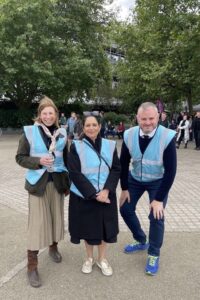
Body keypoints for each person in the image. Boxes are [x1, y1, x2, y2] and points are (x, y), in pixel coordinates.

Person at [16, 96, 69, 288]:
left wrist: (68, 184)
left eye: (51, 113)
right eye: (44, 113)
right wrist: (38, 161)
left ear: (56, 115)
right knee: (37, 224)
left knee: (56, 219)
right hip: (37, 184)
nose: (48, 116)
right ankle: (32, 265)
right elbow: (20, 158)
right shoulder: (29, 132)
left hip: (57, 183)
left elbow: (67, 159)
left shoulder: (62, 133)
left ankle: (53, 247)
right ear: (39, 115)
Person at [119, 102, 177, 276]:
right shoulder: (128, 135)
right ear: (137, 118)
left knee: (156, 215)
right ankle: (141, 239)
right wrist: (124, 188)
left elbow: (171, 171)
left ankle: (153, 253)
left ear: (157, 117)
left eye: (151, 118)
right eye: (143, 119)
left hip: (158, 181)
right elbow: (123, 164)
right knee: (125, 208)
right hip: (135, 178)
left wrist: (158, 200)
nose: (147, 123)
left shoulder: (167, 136)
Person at [67, 115, 120, 276]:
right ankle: (89, 258)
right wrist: (93, 194)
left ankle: (102, 259)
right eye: (87, 125)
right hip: (84, 196)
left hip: (106, 195)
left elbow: (116, 169)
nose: (91, 128)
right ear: (83, 127)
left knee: (105, 229)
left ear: (99, 126)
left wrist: (106, 191)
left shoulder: (110, 145)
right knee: (87, 229)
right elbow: (74, 173)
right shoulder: (76, 146)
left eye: (94, 125)